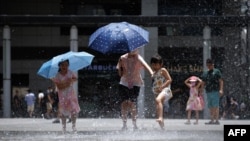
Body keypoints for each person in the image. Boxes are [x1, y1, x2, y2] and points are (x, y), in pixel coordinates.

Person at [116, 49, 153, 130]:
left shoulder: (138, 58)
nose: (134, 50)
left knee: (132, 103)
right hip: (124, 82)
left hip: (135, 83)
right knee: (124, 103)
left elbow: (146, 66)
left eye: (135, 49)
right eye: (132, 49)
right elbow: (119, 73)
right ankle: (124, 124)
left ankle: (134, 124)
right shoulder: (122, 57)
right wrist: (119, 66)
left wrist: (151, 73)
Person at [51, 59, 80, 134]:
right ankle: (64, 127)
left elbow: (75, 78)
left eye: (66, 65)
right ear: (59, 66)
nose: (64, 66)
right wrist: (67, 82)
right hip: (62, 96)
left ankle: (74, 126)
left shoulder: (70, 72)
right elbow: (59, 87)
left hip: (71, 95)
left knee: (73, 110)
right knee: (63, 112)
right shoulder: (57, 75)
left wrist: (72, 80)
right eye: (62, 65)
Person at [150, 54, 172, 129]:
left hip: (166, 90)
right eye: (152, 65)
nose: (154, 67)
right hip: (158, 92)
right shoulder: (154, 73)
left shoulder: (163, 70)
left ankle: (160, 118)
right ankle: (162, 128)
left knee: (158, 100)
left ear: (161, 64)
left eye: (156, 65)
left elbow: (169, 79)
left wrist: (162, 86)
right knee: (158, 110)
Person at [201, 58, 223, 125]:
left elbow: (221, 81)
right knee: (210, 106)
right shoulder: (205, 73)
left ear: (213, 65)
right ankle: (212, 120)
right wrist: (201, 89)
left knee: (215, 105)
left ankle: (215, 120)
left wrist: (221, 89)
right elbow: (203, 82)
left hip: (215, 91)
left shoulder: (217, 71)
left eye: (211, 65)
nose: (209, 66)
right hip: (208, 91)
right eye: (208, 65)